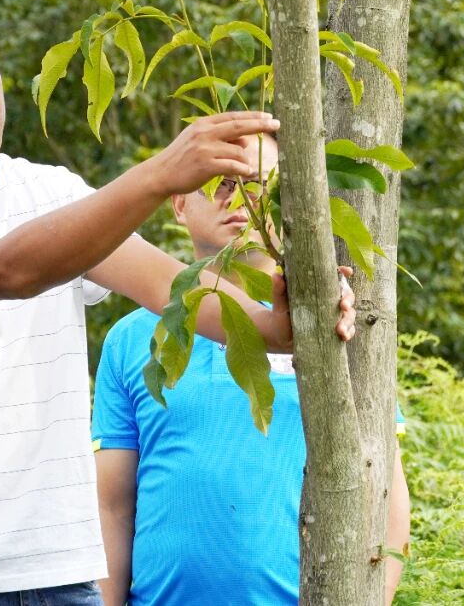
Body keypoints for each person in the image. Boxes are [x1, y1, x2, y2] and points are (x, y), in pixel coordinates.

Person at [0, 0, 357, 605]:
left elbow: (173, 288)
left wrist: (283, 322)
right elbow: (8, 269)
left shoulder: (52, 193)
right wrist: (161, 174)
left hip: (60, 576)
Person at [92, 132, 411, 605]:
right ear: (179, 204)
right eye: (219, 183)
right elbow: (111, 506)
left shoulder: (333, 325)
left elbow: (385, 491)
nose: (239, 197)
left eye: (259, 183)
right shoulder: (131, 339)